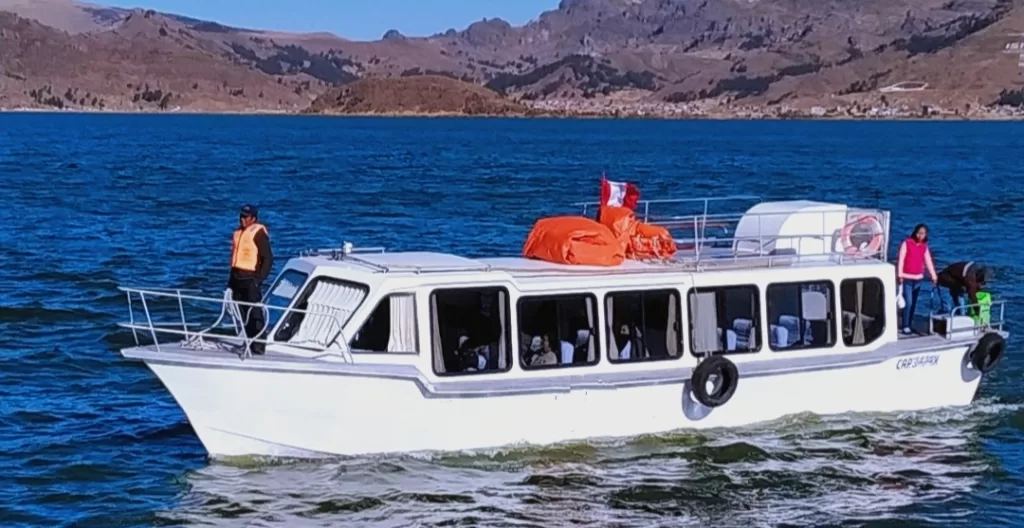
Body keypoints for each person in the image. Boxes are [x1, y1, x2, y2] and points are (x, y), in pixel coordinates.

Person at [229, 204, 273, 354]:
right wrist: (230, 284)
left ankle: (259, 347)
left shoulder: (258, 233)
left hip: (250, 279)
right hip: (236, 278)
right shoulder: (237, 233)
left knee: (254, 313)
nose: (242, 219)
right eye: (241, 216)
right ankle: (248, 341)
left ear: (253, 219)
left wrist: (258, 279)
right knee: (241, 312)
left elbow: (267, 258)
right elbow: (234, 260)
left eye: (246, 217)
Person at [896, 223, 937, 334]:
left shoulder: (924, 246)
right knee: (908, 302)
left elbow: (928, 261)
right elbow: (901, 259)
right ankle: (905, 325)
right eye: (919, 233)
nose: (920, 236)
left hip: (918, 278)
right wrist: (899, 274)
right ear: (915, 232)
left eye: (923, 234)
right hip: (906, 277)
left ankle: (909, 323)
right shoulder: (907, 243)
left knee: (913, 302)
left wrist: (933, 276)